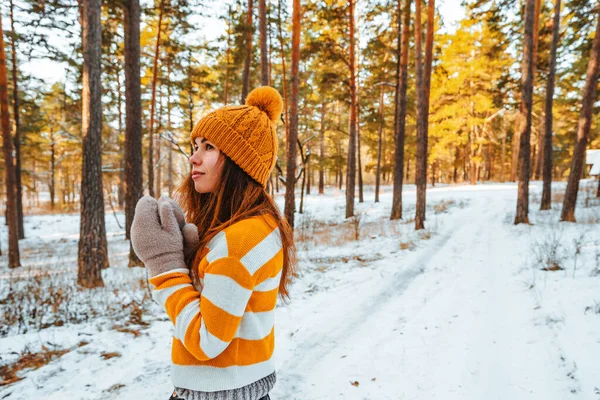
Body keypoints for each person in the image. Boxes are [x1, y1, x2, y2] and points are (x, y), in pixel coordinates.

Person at [131, 86, 296, 400]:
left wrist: (164, 265)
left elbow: (206, 341)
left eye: (208, 147)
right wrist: (191, 258)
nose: (193, 157)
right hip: (236, 387)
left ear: (239, 161)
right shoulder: (255, 226)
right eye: (195, 145)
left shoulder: (238, 242)